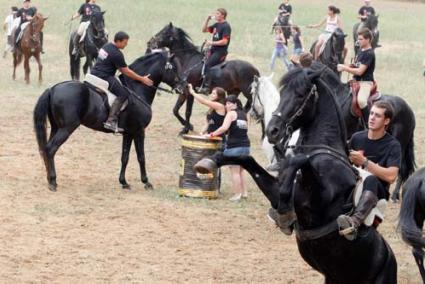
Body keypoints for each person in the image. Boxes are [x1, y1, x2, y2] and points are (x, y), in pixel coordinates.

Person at [337, 101, 401, 240]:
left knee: (371, 178)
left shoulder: (393, 145)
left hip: (376, 190)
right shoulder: (357, 137)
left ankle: (354, 222)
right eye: (371, 113)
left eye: (377, 115)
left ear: (386, 121)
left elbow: (391, 176)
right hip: (353, 183)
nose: (371, 117)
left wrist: (365, 162)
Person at [90, 31, 153, 132]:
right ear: (118, 41)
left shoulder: (107, 46)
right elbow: (125, 71)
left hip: (94, 73)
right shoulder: (117, 54)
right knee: (123, 94)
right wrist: (142, 79)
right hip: (104, 76)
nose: (126, 44)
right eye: (125, 42)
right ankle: (111, 120)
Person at [207, 95, 250, 201]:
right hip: (246, 146)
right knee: (241, 171)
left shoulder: (231, 114)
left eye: (229, 103)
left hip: (234, 146)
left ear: (235, 104)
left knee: (235, 172)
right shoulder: (245, 114)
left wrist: (211, 134)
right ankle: (244, 193)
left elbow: (224, 128)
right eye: (226, 103)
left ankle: (237, 195)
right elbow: (246, 129)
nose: (226, 106)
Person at [337, 28, 375, 124]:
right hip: (355, 81)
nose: (358, 41)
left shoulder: (369, 53)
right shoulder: (360, 50)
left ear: (368, 40)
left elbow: (359, 72)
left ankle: (368, 124)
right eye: (358, 39)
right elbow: (356, 65)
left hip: (365, 82)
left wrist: (344, 68)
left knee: (361, 100)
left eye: (361, 39)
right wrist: (346, 66)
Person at [199, 8, 231, 93]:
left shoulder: (226, 26)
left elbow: (225, 41)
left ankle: (206, 87)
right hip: (213, 50)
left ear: (222, 15)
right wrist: (207, 20)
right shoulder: (216, 25)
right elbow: (204, 30)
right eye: (216, 13)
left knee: (208, 64)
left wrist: (211, 42)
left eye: (217, 14)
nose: (215, 15)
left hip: (220, 52)